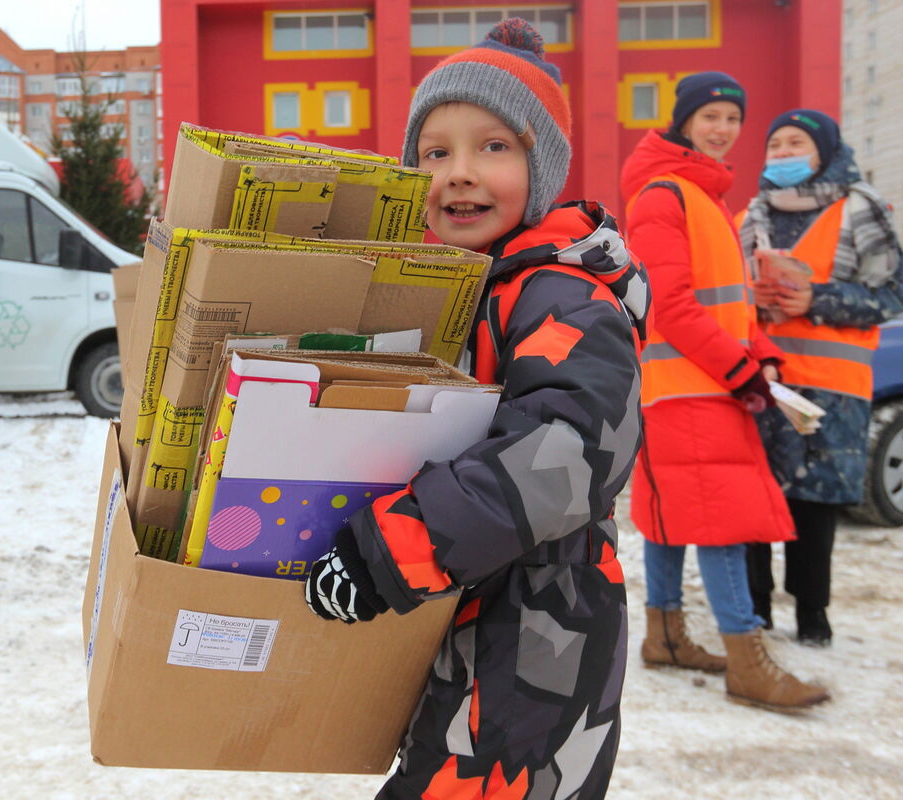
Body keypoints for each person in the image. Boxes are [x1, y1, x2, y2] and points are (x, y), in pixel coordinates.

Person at [303, 19, 651, 799]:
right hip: (468, 614)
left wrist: (394, 546)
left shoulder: (564, 296)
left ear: (543, 166)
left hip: (534, 643)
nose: (459, 173)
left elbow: (569, 455)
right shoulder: (468, 288)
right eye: (436, 152)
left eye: (493, 147)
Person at [621, 73, 830, 712]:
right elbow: (673, 307)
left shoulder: (703, 197)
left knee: (673, 515)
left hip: (694, 383)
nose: (722, 128)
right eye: (710, 115)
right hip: (690, 387)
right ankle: (747, 658)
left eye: (732, 119)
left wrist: (759, 353)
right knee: (720, 521)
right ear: (684, 121)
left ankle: (666, 634)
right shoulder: (664, 195)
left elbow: (727, 308)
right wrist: (739, 370)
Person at [740, 109, 903, 646]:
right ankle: (756, 612)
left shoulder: (860, 207)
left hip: (833, 387)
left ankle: (813, 614)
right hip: (765, 380)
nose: (784, 153)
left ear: (825, 150)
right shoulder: (751, 214)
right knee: (757, 500)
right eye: (776, 145)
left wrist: (818, 299)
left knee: (815, 504)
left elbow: (892, 296)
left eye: (797, 143)